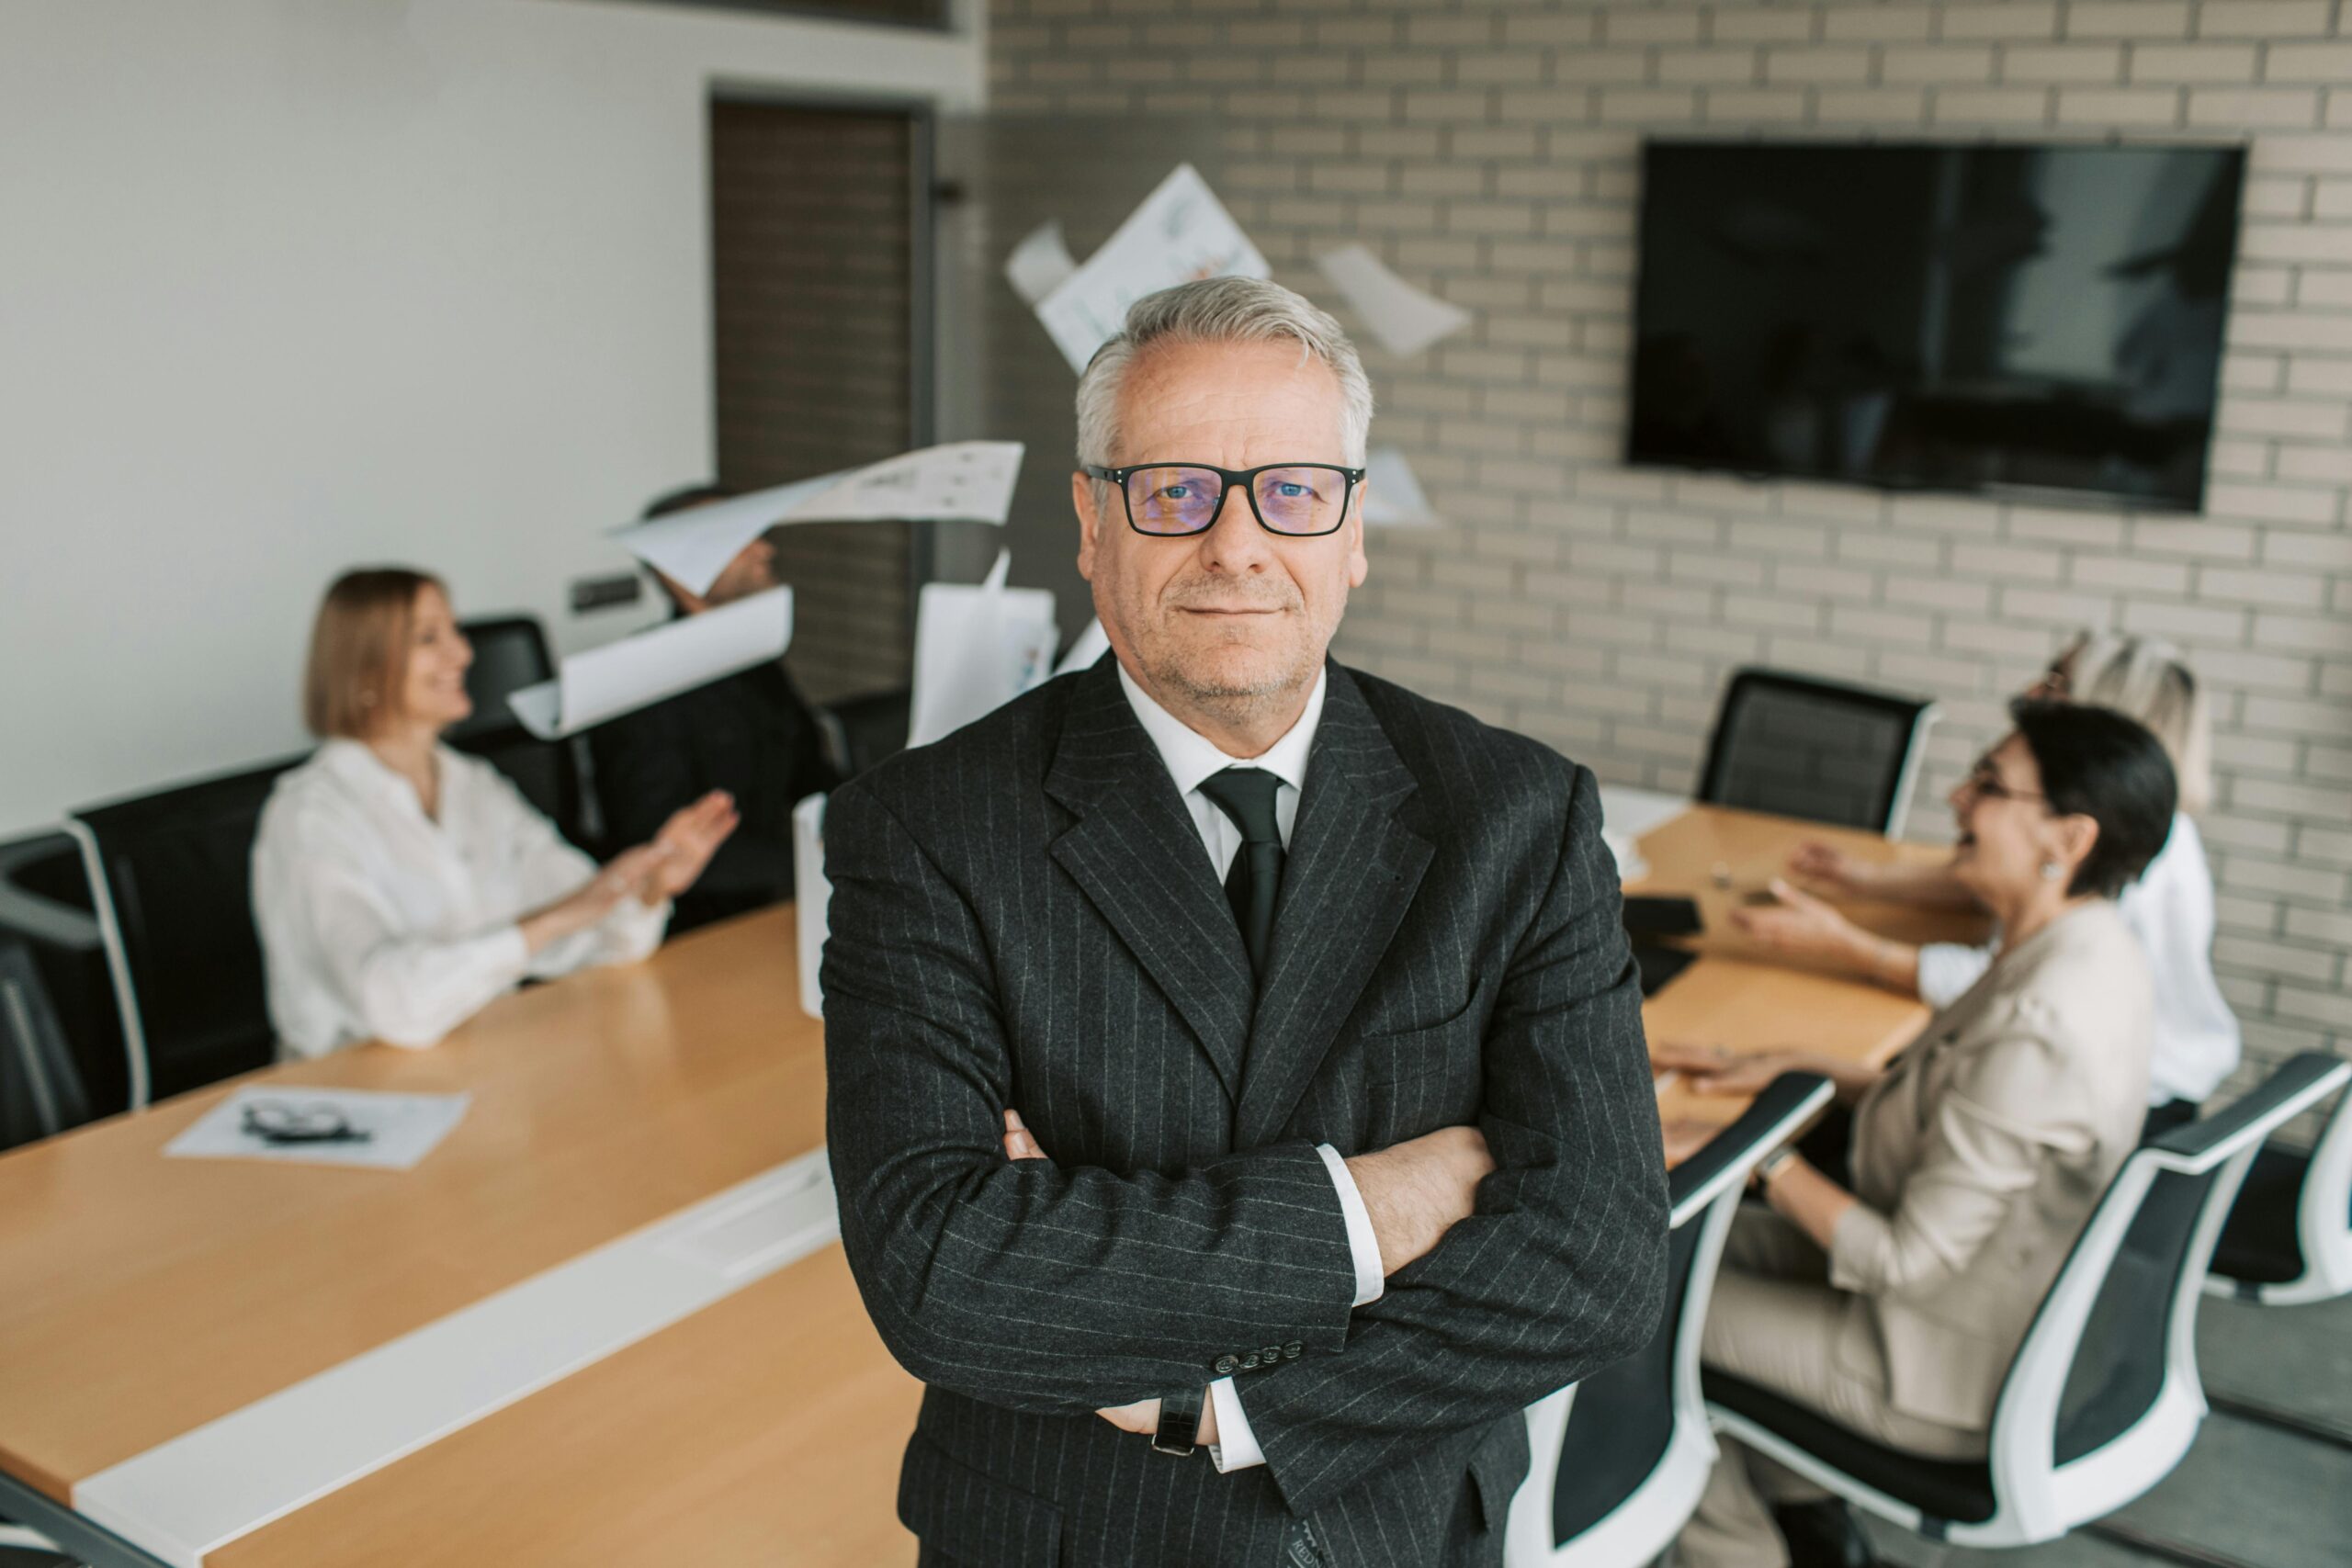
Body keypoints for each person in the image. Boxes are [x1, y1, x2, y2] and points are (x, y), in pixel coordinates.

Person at [821, 278, 1669, 1568]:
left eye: (1290, 490)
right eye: (1173, 491)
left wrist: (1227, 1408)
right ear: (1090, 521)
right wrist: (1370, 1208)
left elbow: (1599, 1258)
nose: (1235, 544)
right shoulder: (925, 826)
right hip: (1065, 1534)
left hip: (1401, 1524)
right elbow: (938, 1275)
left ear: (1353, 528)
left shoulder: (1520, 813)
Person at [1656, 702, 2178, 1568]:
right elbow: (1955, 1089)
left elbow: (1902, 1259)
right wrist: (1798, 1069)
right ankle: (1811, 1521)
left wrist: (1759, 1148)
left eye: (1989, 786)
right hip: (1966, 1291)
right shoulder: (2081, 946)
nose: (1955, 797)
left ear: (2070, 837)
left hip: (1929, 1357)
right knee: (1672, 1250)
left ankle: (1742, 1550)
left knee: (1631, 1314)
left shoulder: (2042, 1019)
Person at [1730, 631, 2236, 1135]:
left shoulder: (2124, 878)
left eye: (2057, 681)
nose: (2033, 692)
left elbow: (1993, 982)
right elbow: (2013, 878)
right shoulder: (2124, 832)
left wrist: (1843, 945)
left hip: (2129, 1094)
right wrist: (1866, 879)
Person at [252, 568, 738, 1057]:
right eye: (428, 637)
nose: (462, 653)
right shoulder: (309, 815)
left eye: (455, 632)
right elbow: (391, 1004)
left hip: (487, 1059)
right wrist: (545, 924)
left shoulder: (474, 786)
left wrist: (651, 886)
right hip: (350, 1092)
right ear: (364, 667)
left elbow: (591, 932)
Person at [591, 486, 838, 935]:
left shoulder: (757, 661)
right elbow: (654, 845)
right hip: (698, 928)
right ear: (679, 574)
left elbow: (811, 773)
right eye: (740, 538)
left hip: (786, 900)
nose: (765, 549)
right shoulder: (635, 683)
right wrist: (810, 864)